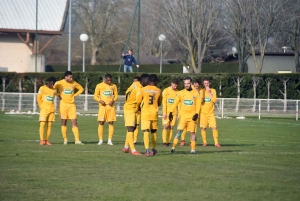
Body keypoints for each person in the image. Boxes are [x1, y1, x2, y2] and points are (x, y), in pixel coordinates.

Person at [169, 77, 201, 154]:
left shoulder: (196, 93)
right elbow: (175, 102)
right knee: (179, 131)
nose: (186, 85)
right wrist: (170, 112)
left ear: (191, 83)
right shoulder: (181, 93)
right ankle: (173, 147)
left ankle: (193, 149)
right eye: (185, 83)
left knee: (192, 133)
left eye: (188, 83)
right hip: (183, 116)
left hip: (192, 117)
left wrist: (197, 113)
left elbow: (198, 104)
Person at [54, 71, 84, 145]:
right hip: (63, 105)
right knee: (64, 122)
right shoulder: (59, 83)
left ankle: (77, 140)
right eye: (70, 77)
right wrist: (58, 95)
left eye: (72, 77)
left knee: (74, 121)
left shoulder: (74, 83)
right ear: (66, 77)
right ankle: (65, 139)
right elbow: (52, 89)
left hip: (71, 105)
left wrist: (75, 95)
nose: (71, 78)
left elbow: (81, 89)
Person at [122, 74, 149, 155]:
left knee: (132, 128)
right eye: (147, 81)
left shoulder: (134, 84)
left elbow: (127, 93)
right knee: (130, 128)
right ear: (143, 80)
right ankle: (133, 150)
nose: (148, 83)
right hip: (130, 108)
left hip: (130, 107)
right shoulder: (139, 88)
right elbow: (138, 101)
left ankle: (126, 147)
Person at [136, 74, 162, 157]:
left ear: (148, 81)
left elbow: (138, 101)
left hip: (146, 113)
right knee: (153, 132)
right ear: (156, 82)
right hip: (154, 113)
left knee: (146, 132)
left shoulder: (143, 89)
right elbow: (159, 102)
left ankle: (147, 150)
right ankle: (153, 149)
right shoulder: (158, 90)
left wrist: (138, 108)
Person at [94, 74, 118, 145]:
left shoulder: (114, 86)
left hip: (110, 107)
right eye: (108, 80)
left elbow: (116, 96)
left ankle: (110, 140)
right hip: (102, 107)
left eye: (111, 80)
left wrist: (113, 101)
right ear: (105, 79)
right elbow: (95, 96)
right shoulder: (99, 85)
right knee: (101, 122)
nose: (110, 81)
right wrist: (100, 100)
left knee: (111, 122)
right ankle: (100, 140)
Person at [200, 78, 221, 147]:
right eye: (205, 83)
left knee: (214, 127)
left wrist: (209, 92)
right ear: (203, 84)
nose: (206, 85)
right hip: (203, 113)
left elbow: (214, 100)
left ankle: (216, 143)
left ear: (209, 83)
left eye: (207, 83)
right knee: (203, 128)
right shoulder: (201, 91)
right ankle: (205, 142)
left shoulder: (213, 90)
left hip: (211, 113)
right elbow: (200, 101)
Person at [180, 78, 201, 146]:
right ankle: (182, 140)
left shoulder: (198, 92)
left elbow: (199, 103)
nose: (196, 87)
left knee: (193, 129)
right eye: (195, 86)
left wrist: (197, 113)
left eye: (197, 86)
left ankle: (192, 142)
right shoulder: (184, 92)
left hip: (194, 113)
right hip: (185, 113)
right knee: (183, 128)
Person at [37, 77, 57, 145]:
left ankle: (46, 140)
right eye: (52, 83)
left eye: (54, 83)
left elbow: (58, 94)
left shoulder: (54, 90)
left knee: (49, 125)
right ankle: (42, 140)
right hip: (44, 109)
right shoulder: (42, 88)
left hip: (51, 109)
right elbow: (38, 98)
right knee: (42, 124)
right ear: (50, 82)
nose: (53, 85)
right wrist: (41, 107)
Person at [162, 78, 180, 147]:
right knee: (166, 126)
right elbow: (164, 102)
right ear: (171, 83)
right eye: (175, 85)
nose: (176, 86)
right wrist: (164, 112)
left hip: (174, 113)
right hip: (167, 112)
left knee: (171, 127)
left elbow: (179, 104)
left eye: (177, 85)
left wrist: (179, 114)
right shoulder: (166, 90)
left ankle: (168, 142)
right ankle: (164, 141)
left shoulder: (178, 92)